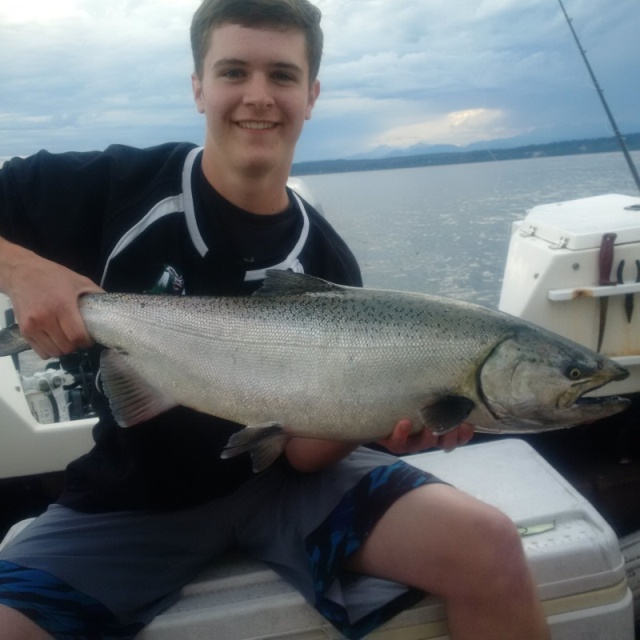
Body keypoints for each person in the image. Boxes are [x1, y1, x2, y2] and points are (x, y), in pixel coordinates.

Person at [0, 1, 551, 638]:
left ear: (312, 94)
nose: (258, 96)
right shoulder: (117, 185)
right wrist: (22, 273)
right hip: (131, 500)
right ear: (198, 86)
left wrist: (383, 415)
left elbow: (305, 457)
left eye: (282, 76)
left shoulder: (327, 260)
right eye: (234, 72)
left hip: (282, 489)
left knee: (490, 546)